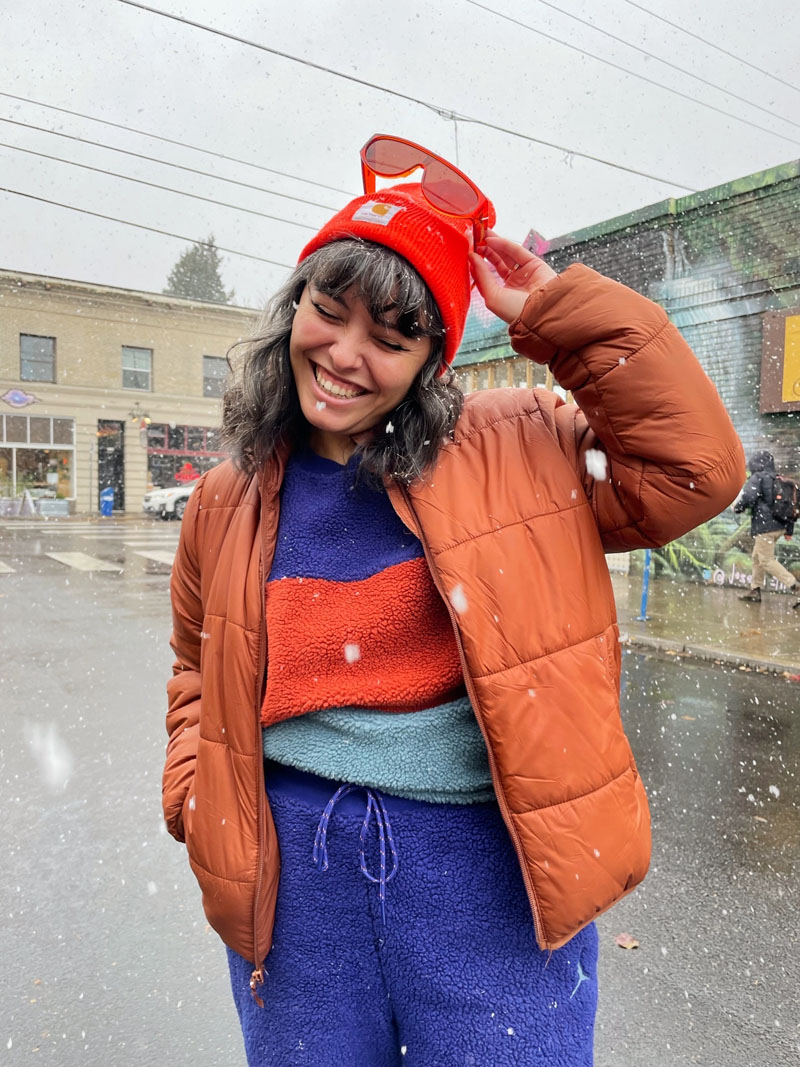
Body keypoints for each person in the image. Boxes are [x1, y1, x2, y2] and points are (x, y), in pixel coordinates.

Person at [162, 134, 744, 1067]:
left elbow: (697, 471)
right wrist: (198, 797)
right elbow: (195, 663)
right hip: (294, 890)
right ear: (295, 307)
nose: (346, 355)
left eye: (391, 338)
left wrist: (553, 312)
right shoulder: (228, 498)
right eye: (329, 310)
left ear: (434, 360)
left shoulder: (522, 446)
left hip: (489, 883)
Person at [734, 450, 799, 606]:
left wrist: (738, 507)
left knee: (766, 560)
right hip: (778, 526)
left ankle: (795, 586)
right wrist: (788, 530)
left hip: (765, 527)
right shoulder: (778, 479)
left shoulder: (759, 477)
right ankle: (755, 590)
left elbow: (749, 496)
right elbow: (791, 505)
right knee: (757, 557)